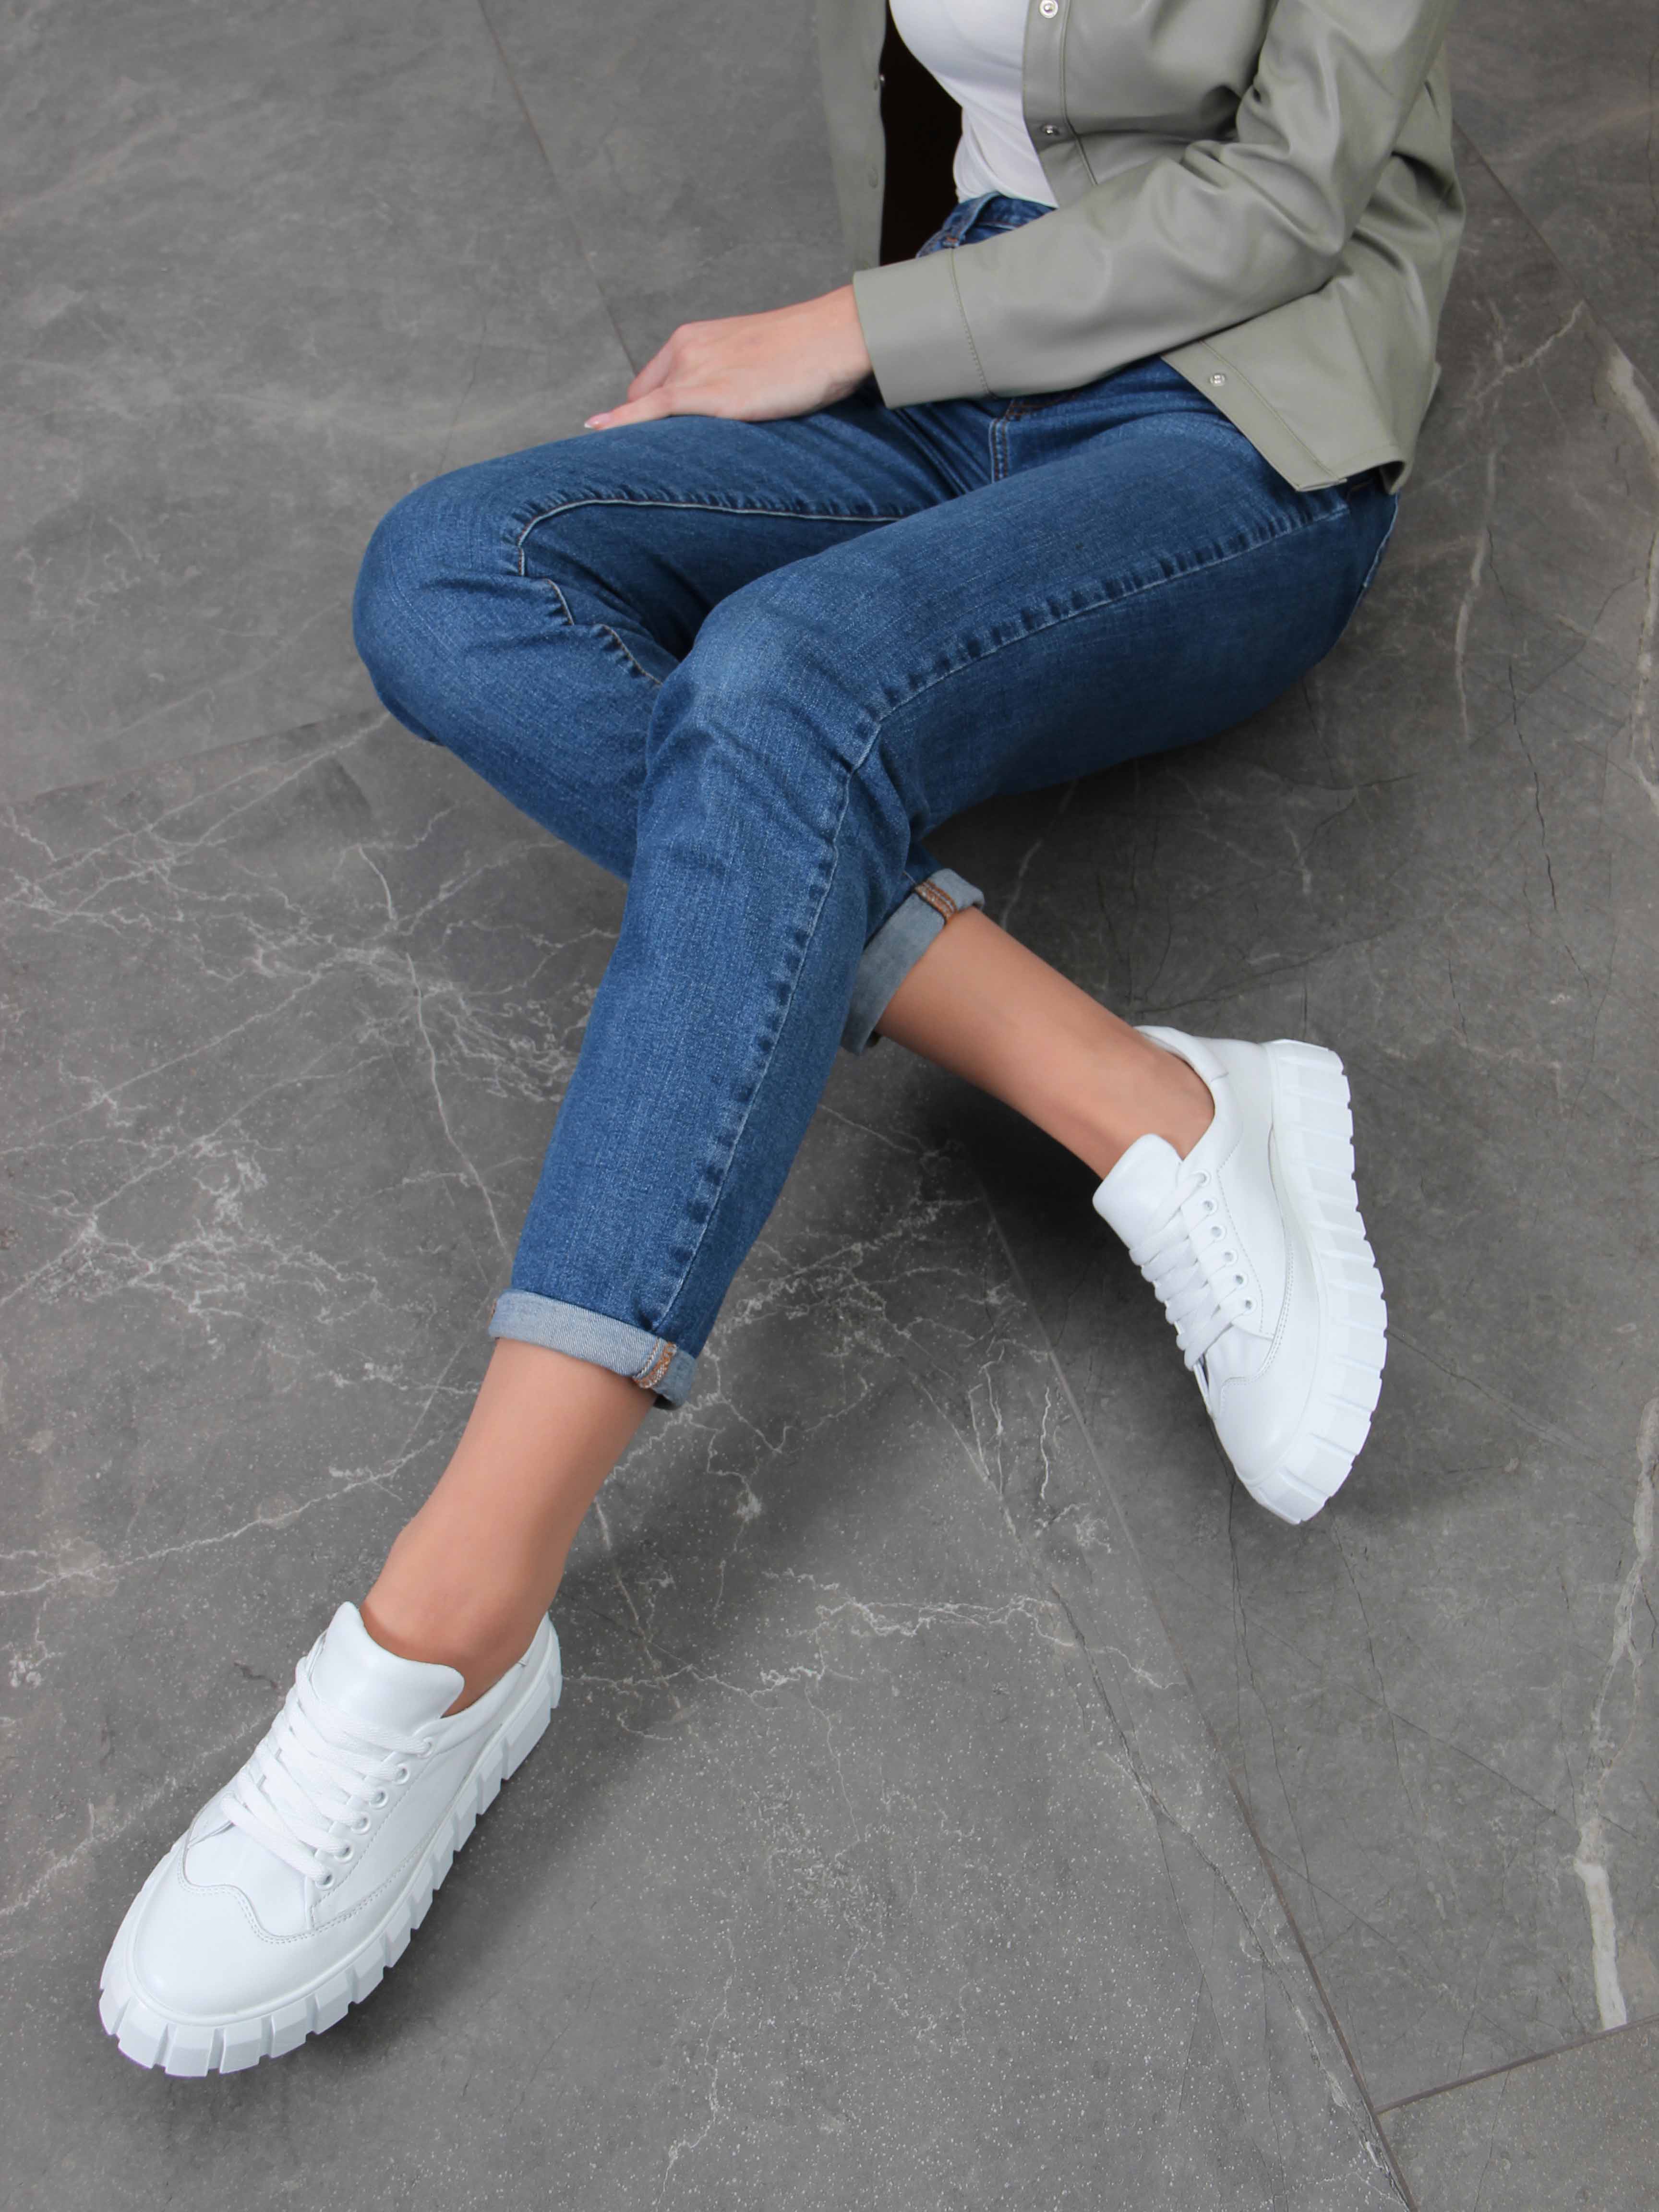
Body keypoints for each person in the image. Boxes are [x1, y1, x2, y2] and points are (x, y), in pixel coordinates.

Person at [98, 0, 1466, 2075]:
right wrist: (902, 323)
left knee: (781, 681)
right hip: (957, 361)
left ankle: (453, 1621)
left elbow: (1285, 199)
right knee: (453, 572)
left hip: (1227, 413)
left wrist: (847, 324)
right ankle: (1131, 1091)